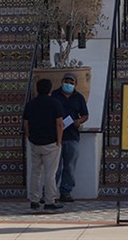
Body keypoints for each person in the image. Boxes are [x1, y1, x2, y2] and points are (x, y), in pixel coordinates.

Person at [23, 78, 64, 210]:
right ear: (50, 89)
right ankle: (49, 201)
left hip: (35, 142)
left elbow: (25, 124)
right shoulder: (55, 103)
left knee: (35, 172)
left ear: (37, 89)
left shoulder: (30, 104)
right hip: (51, 143)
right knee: (50, 173)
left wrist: (30, 136)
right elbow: (59, 124)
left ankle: (34, 200)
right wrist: (59, 141)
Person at [52, 73, 89, 202]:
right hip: (56, 137)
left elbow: (85, 115)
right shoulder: (54, 95)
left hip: (72, 136)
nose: (68, 85)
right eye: (66, 82)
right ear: (62, 82)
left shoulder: (79, 97)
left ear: (75, 84)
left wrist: (79, 121)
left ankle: (65, 192)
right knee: (55, 167)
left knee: (70, 166)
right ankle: (50, 194)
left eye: (71, 83)